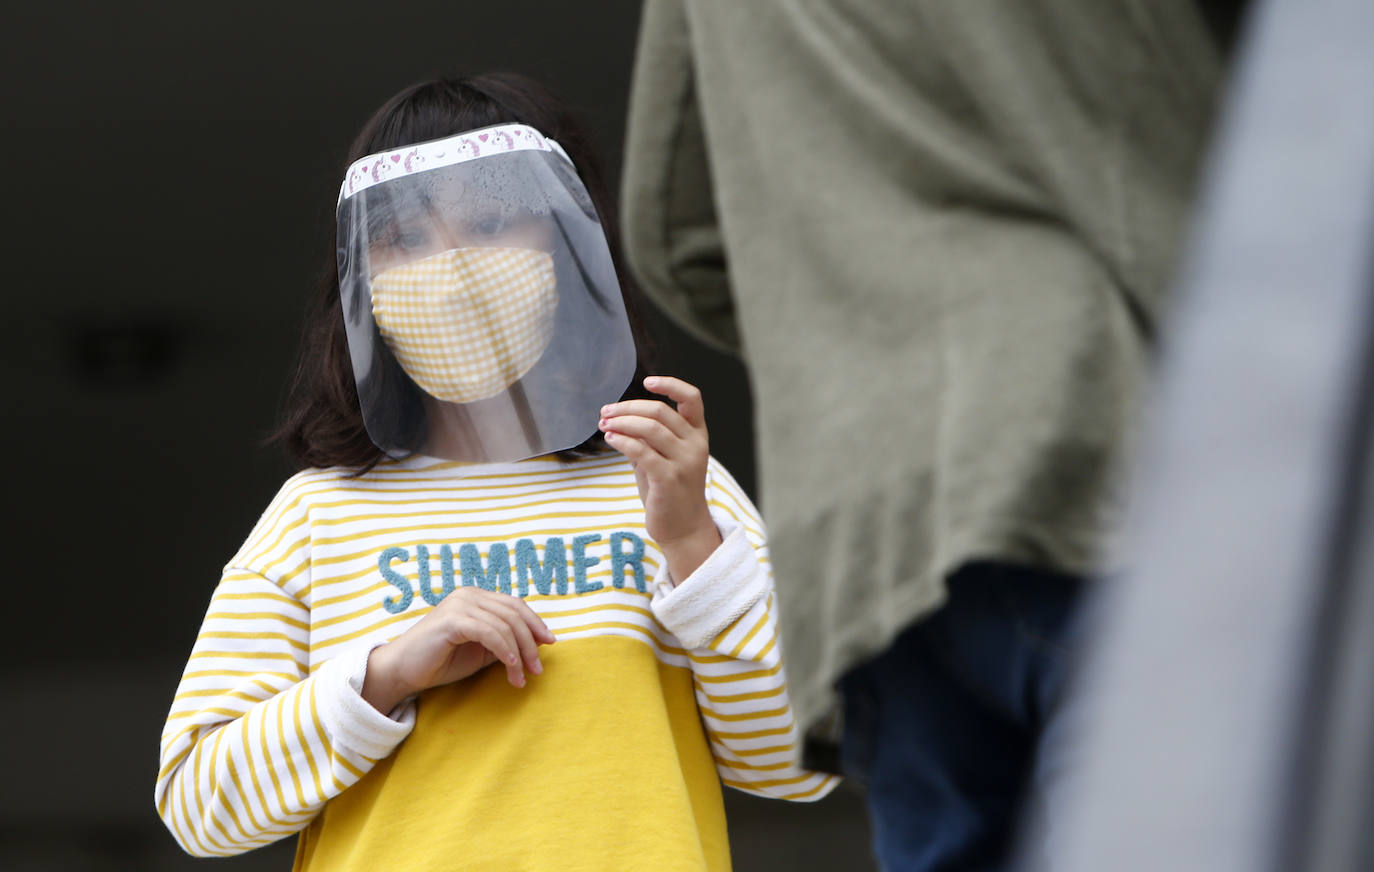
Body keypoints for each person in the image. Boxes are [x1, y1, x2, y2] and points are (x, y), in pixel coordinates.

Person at [154, 73, 836, 872]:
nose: (453, 266)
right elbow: (201, 807)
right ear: (357, 281)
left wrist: (692, 544)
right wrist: (388, 674)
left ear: (572, 243)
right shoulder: (316, 515)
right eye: (404, 238)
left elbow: (799, 764)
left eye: (488, 222)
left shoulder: (673, 484)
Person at [620, 3, 1223, 869]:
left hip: (866, 521)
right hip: (1078, 446)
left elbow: (674, 237)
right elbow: (1187, 169)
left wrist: (859, 367)